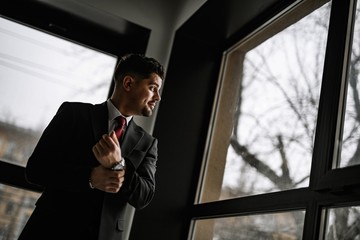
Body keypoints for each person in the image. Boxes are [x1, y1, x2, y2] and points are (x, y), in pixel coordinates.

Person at [18, 53, 165, 240]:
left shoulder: (148, 143)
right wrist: (90, 177)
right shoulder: (73, 114)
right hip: (50, 229)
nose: (158, 97)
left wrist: (119, 164)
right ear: (128, 83)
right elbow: (36, 170)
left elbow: (144, 196)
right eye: (153, 88)